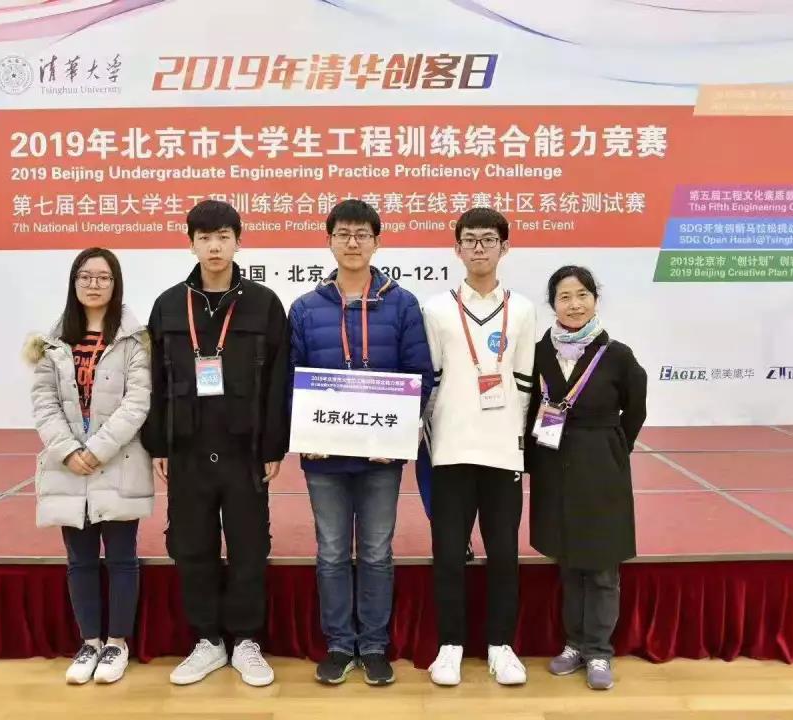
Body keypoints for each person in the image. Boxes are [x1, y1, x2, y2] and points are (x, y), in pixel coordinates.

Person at [141, 200, 289, 688]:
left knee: (249, 545)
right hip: (187, 446)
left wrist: (273, 446)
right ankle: (207, 640)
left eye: (223, 236)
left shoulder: (264, 303)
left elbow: (279, 381)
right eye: (204, 237)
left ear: (238, 241)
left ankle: (245, 641)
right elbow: (154, 381)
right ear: (191, 244)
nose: (214, 246)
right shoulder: (168, 305)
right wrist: (158, 443)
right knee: (191, 545)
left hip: (245, 449)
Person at [288, 198, 433, 686]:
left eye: (362, 234)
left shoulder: (402, 303)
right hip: (324, 456)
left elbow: (420, 375)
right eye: (343, 234)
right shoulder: (305, 308)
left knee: (375, 552)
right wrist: (304, 432)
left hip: (380, 456)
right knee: (331, 551)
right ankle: (337, 644)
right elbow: (291, 379)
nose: (352, 242)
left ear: (377, 241)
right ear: (329, 240)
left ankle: (372, 646)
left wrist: (397, 432)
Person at [421, 207, 537, 687]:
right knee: (449, 553)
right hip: (451, 449)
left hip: (502, 452)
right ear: (457, 249)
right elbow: (430, 382)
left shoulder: (523, 309)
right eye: (470, 240)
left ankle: (500, 646)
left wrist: (514, 438)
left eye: (489, 239)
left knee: (504, 553)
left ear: (504, 248)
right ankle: (449, 646)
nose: (479, 248)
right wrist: (431, 437)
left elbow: (526, 383)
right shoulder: (437, 309)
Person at [26, 247, 152, 685]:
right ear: (74, 283)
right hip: (68, 464)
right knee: (79, 560)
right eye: (85, 276)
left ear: (116, 284)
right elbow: (43, 402)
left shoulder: (135, 339)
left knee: (121, 558)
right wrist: (67, 450)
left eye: (103, 277)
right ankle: (89, 643)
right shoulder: (53, 341)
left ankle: (117, 643)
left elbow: (138, 401)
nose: (94, 284)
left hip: (117, 459)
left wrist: (98, 449)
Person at [524, 265, 647, 691]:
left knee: (601, 565)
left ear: (595, 300)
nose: (574, 305)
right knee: (568, 562)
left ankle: (598, 650)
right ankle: (574, 644)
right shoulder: (538, 353)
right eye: (564, 297)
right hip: (554, 465)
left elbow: (635, 409)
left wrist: (612, 448)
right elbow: (528, 408)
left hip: (601, 468)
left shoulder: (617, 355)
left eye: (582, 295)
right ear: (552, 304)